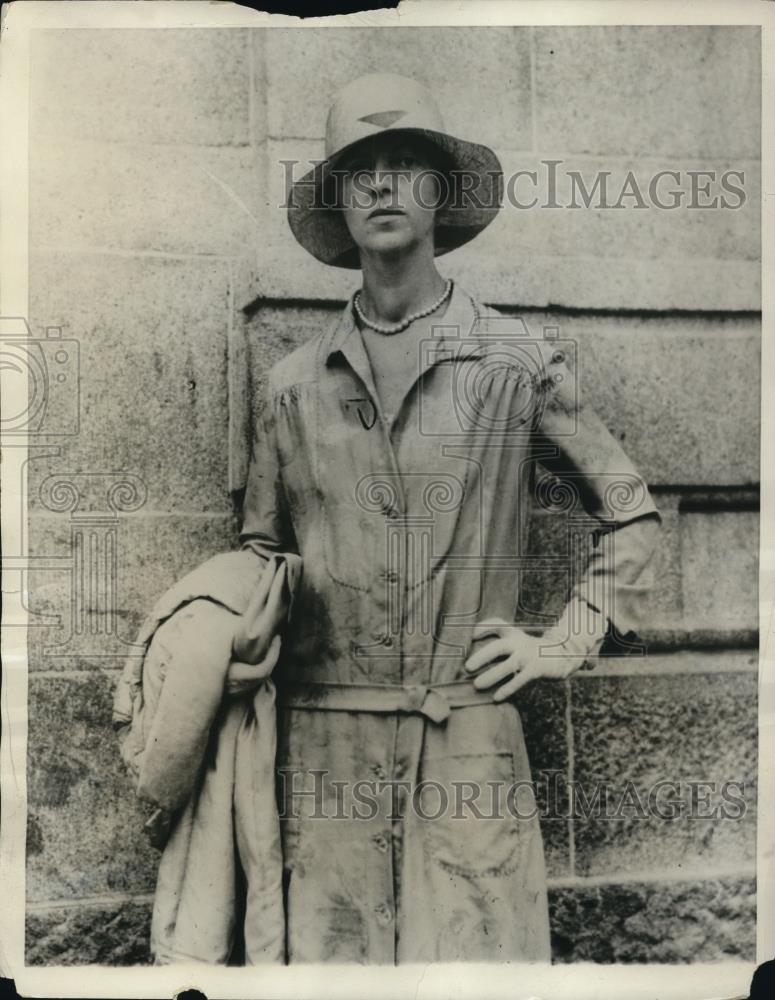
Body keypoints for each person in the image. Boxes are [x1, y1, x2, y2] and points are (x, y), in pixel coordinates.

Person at [115, 72, 662, 965]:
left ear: (440, 193)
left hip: (467, 738)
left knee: (475, 971)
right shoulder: (290, 386)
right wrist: (227, 626)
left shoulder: (514, 359)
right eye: (359, 170)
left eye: (405, 165)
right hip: (323, 746)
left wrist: (558, 642)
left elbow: (632, 515)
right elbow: (264, 550)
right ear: (337, 198)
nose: (381, 186)